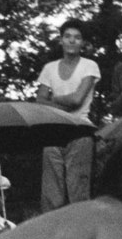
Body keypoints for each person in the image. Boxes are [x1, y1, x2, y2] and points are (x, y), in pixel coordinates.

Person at [35, 18, 100, 211]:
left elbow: (77, 100)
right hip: (52, 131)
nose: (72, 40)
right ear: (61, 40)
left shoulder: (89, 66)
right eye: (68, 36)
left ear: (83, 43)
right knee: (50, 194)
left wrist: (53, 98)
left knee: (78, 192)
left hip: (80, 130)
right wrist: (63, 104)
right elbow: (39, 101)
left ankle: (81, 237)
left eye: (77, 37)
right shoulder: (50, 68)